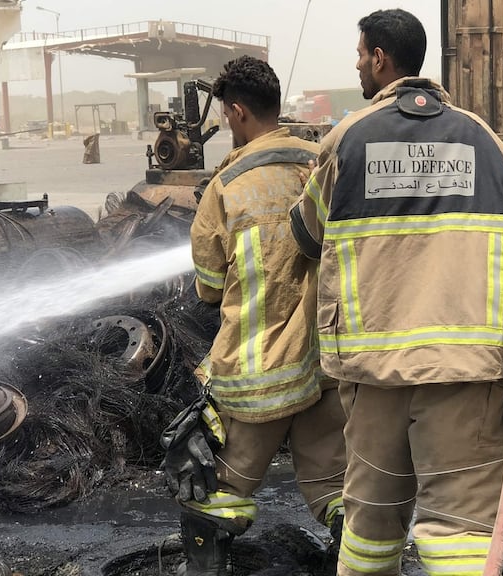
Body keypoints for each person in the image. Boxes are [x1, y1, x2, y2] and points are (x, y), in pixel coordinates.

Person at [289, 9, 503, 576]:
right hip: (465, 369)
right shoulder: (483, 139)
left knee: (370, 528)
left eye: (360, 54)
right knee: (460, 534)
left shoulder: (347, 139)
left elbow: (305, 235)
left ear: (380, 59)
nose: (357, 64)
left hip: (373, 370)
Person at [159, 55, 346, 576]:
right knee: (338, 486)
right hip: (328, 364)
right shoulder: (325, 164)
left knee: (212, 490)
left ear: (238, 112)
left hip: (257, 372)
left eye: (226, 116)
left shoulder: (226, 185)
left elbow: (209, 286)